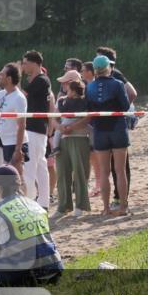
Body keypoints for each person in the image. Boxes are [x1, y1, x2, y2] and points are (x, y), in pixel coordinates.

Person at [86, 55, 132, 215]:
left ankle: (105, 208)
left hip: (100, 130)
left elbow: (88, 110)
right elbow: (125, 107)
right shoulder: (117, 84)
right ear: (108, 68)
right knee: (120, 171)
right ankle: (123, 207)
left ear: (95, 70)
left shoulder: (89, 87)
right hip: (117, 128)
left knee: (104, 172)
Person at [52, 74, 92, 218]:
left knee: (80, 172)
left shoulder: (84, 101)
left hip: (79, 138)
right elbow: (54, 119)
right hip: (63, 138)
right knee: (62, 174)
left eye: (65, 83)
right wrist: (60, 127)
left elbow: (88, 117)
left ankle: (81, 205)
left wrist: (73, 126)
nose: (63, 85)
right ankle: (63, 206)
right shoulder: (61, 101)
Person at [19, 51, 52, 209]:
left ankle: (30, 203)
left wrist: (16, 77)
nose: (23, 66)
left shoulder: (41, 81)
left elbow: (21, 96)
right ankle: (43, 202)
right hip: (37, 128)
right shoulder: (38, 80)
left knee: (31, 166)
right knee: (40, 166)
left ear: (34, 63)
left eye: (25, 63)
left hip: (35, 128)